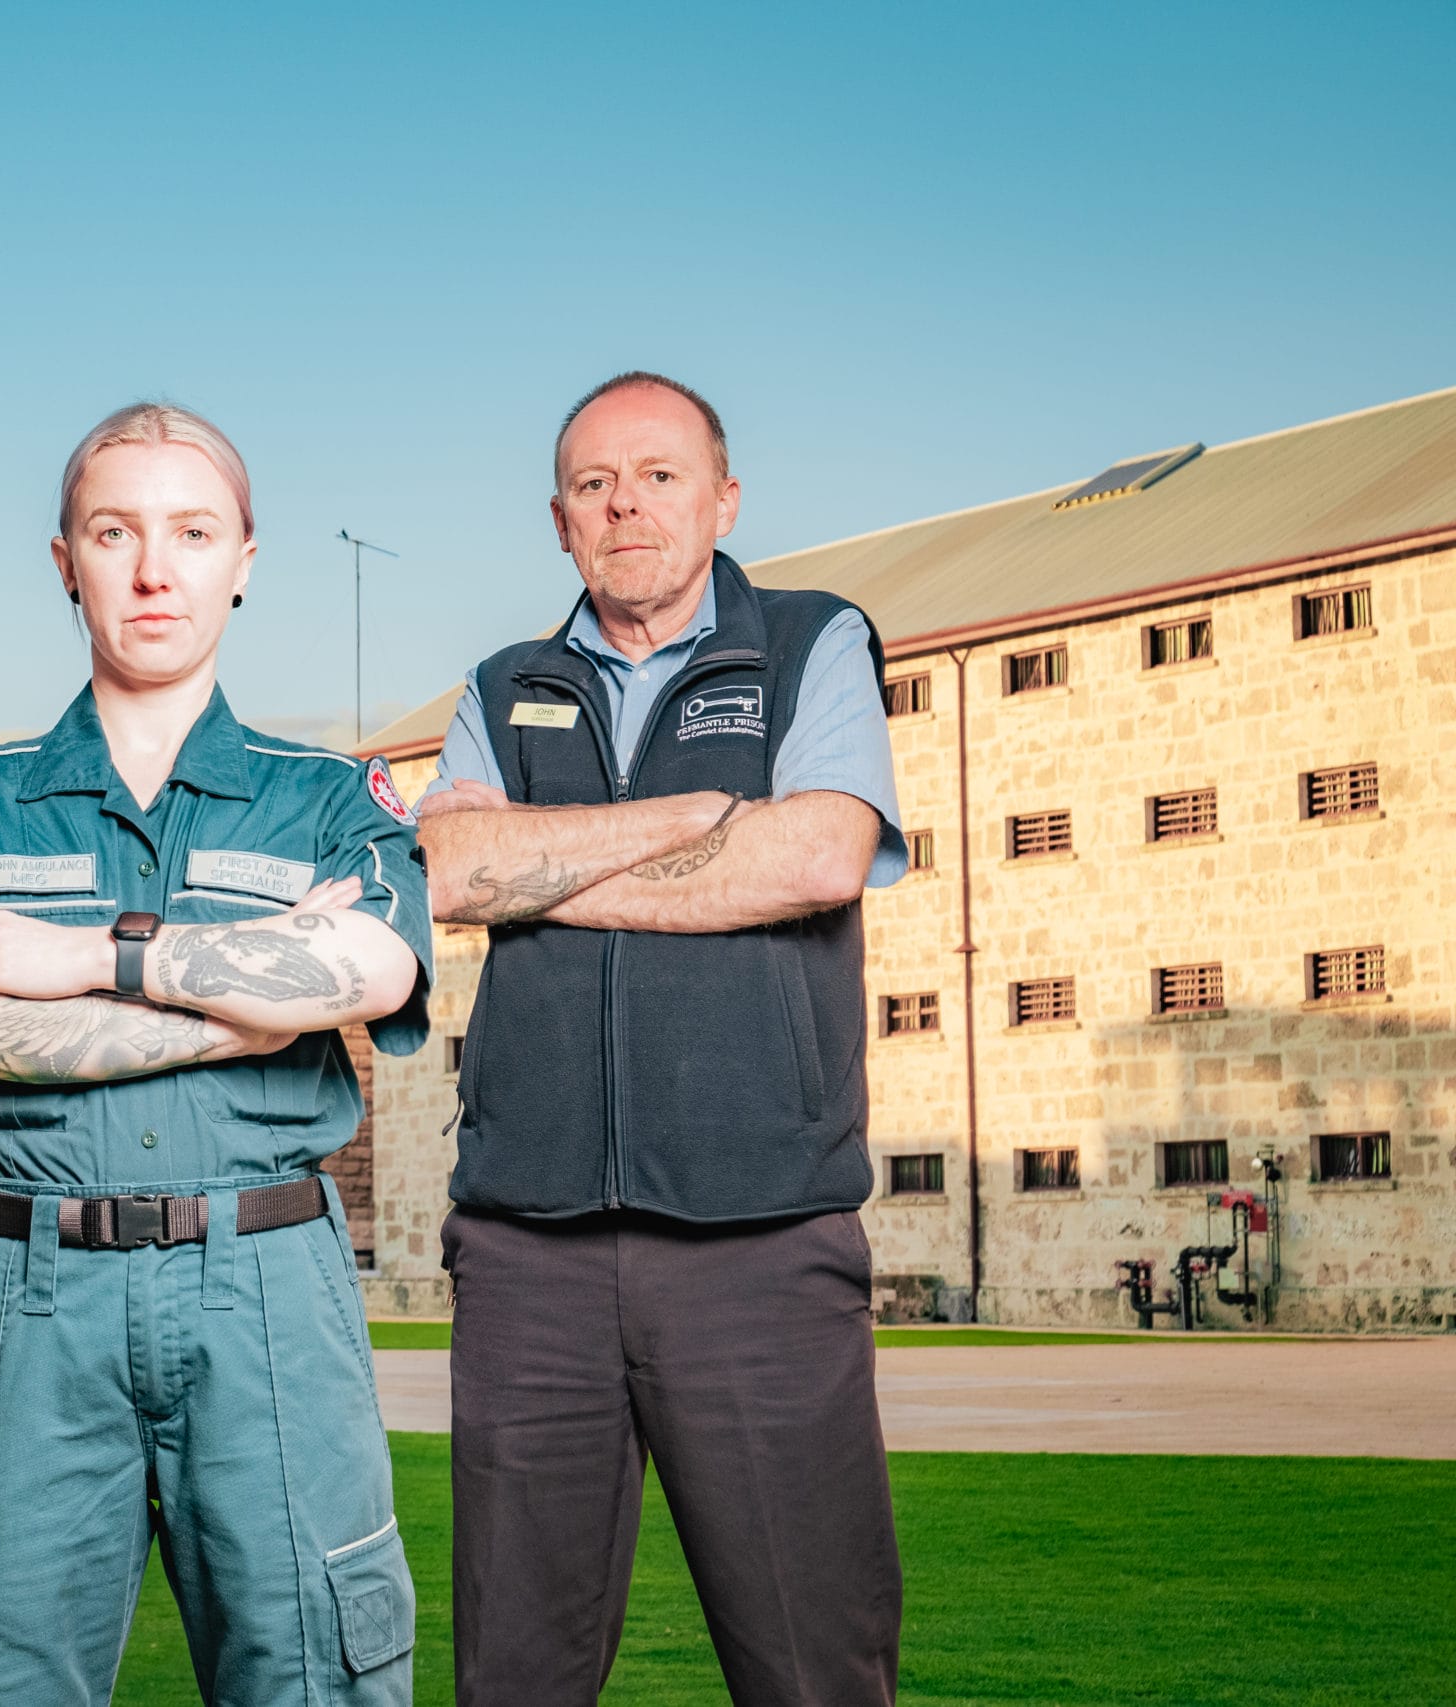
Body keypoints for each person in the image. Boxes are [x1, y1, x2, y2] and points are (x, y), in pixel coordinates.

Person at [0, 403, 434, 1704]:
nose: (152, 567)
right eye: (114, 529)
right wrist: (255, 986)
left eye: (191, 531)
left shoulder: (333, 796)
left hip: (269, 1290)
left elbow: (374, 969)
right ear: (64, 556)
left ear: (244, 555)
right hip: (22, 1294)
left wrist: (81, 958)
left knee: (320, 1676)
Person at [418, 373, 907, 1705]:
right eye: (593, 483)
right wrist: (690, 817)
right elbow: (447, 877)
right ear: (561, 521)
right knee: (512, 1672)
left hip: (760, 1241)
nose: (625, 503)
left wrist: (542, 860)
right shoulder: (503, 683)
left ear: (723, 499)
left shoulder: (815, 641)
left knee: (816, 1668)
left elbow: (816, 854)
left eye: (659, 474)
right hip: (530, 1251)